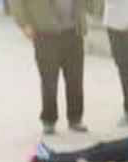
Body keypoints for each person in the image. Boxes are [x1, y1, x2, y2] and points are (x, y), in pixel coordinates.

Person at [11, 0, 88, 135]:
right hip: (45, 33)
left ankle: (75, 119)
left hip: (73, 32)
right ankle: (49, 120)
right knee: (49, 80)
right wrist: (24, 24)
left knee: (75, 78)